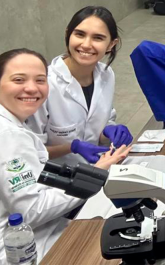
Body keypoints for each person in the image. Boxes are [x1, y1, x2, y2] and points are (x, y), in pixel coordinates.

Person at [0, 48, 129, 262]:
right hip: (22, 247)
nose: (31, 88)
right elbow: (31, 211)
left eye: (40, 80)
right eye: (18, 79)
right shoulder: (10, 135)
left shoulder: (12, 125)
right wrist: (93, 176)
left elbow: (33, 161)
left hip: (43, 222)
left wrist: (79, 147)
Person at [26, 6, 132, 165]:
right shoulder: (44, 85)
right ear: (68, 35)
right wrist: (72, 148)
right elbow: (29, 151)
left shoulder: (106, 74)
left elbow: (100, 124)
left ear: (111, 44)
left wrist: (109, 132)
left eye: (98, 38)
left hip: (98, 167)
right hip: (53, 175)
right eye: (80, 34)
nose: (86, 45)